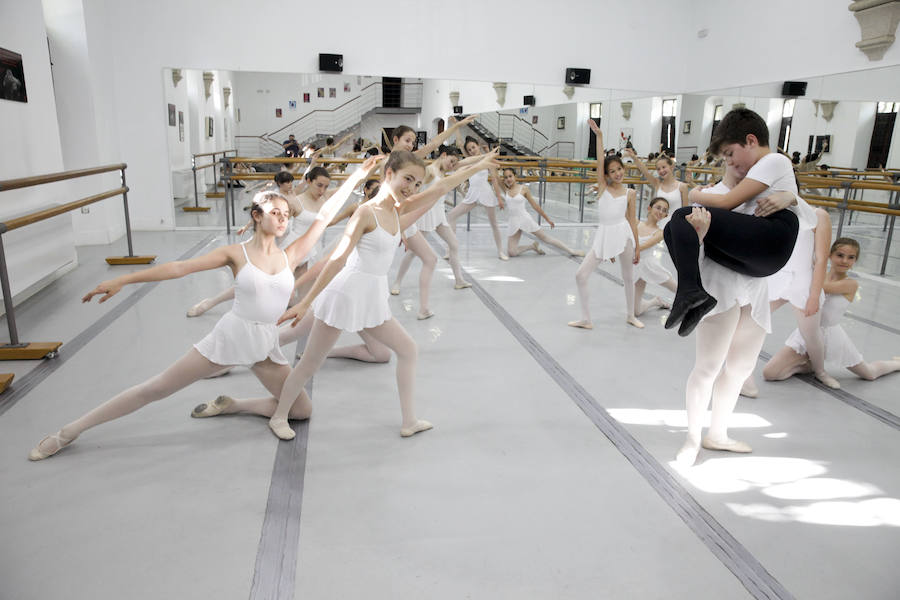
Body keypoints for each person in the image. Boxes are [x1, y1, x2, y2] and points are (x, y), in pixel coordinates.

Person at [27, 162, 378, 461]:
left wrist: (356, 176)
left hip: (265, 342)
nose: (283, 220)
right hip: (233, 336)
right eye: (275, 213)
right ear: (257, 216)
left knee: (301, 410)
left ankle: (234, 404)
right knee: (156, 388)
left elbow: (327, 214)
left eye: (286, 215)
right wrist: (126, 279)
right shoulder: (236, 253)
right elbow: (180, 269)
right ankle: (70, 430)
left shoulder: (291, 255)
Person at [260, 149, 500, 441]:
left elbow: (442, 186)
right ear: (389, 174)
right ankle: (279, 415)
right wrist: (306, 301)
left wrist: (480, 164)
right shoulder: (366, 212)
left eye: (416, 183)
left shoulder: (398, 209)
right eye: (407, 179)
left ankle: (409, 420)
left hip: (371, 296)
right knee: (311, 362)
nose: (411, 187)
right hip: (346, 294)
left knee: (408, 350)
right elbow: (337, 259)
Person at [672, 163, 803, 466]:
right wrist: (700, 236)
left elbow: (801, 221)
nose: (743, 167)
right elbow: (684, 250)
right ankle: (692, 438)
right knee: (707, 368)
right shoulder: (709, 196)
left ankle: (717, 433)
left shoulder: (767, 196)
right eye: (732, 158)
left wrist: (791, 198)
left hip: (755, 291)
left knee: (741, 368)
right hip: (720, 290)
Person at [664, 108, 799, 337]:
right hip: (761, 255)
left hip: (773, 237)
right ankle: (696, 293)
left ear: (751, 140)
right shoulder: (758, 171)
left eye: (730, 154)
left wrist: (696, 194)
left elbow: (726, 202)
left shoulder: (773, 160)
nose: (729, 161)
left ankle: (690, 291)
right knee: (671, 229)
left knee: (681, 216)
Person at [763, 238, 900, 383]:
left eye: (851, 257)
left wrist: (808, 268)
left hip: (832, 336)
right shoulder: (816, 276)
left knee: (869, 373)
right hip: (807, 333)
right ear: (830, 255)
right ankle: (806, 365)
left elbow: (818, 287)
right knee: (770, 373)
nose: (845, 261)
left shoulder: (850, 284)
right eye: (840, 255)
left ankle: (897, 364)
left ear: (855, 261)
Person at [568, 120, 642, 330]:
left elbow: (632, 221)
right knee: (580, 274)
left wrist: (637, 246)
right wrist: (599, 136)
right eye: (612, 171)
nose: (617, 173)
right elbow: (600, 160)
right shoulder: (602, 188)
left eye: (619, 168)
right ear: (607, 175)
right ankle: (586, 319)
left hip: (624, 234)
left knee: (629, 277)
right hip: (605, 235)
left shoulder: (630, 193)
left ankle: (630, 314)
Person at [390, 146, 478, 308]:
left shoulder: (445, 169)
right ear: (443, 155)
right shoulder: (429, 171)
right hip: (424, 215)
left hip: (439, 214)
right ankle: (397, 282)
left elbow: (468, 161)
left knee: (454, 244)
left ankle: (458, 280)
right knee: (412, 252)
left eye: (454, 163)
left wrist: (485, 158)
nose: (453, 165)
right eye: (451, 161)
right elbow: (415, 192)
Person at [446, 136, 509, 260]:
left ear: (478, 146)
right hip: (472, 194)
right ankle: (450, 250)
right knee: (451, 216)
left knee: (494, 224)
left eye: (473, 147)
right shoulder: (470, 160)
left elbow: (495, 180)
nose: (472, 151)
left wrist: (499, 199)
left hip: (485, 193)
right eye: (469, 150)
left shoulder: (487, 159)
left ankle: (501, 251)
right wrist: (456, 127)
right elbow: (459, 143)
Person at [499, 168, 584, 257]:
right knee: (511, 252)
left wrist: (547, 219)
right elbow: (494, 175)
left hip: (524, 219)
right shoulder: (506, 190)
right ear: (503, 180)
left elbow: (535, 206)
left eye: (510, 176)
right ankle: (532, 246)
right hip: (513, 221)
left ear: (515, 176)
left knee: (545, 238)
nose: (508, 179)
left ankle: (571, 251)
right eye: (506, 177)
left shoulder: (523, 189)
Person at [633, 197, 676, 316]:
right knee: (636, 312)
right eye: (658, 208)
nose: (660, 212)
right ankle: (655, 301)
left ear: (666, 215)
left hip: (650, 266)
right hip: (637, 267)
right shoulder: (636, 223)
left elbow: (642, 246)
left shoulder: (660, 232)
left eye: (664, 210)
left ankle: (697, 306)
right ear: (649, 208)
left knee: (677, 288)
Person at [627, 148, 689, 223]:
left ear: (671, 167)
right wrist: (634, 157)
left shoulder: (682, 186)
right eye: (658, 169)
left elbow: (685, 212)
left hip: (675, 225)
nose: (661, 171)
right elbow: (645, 171)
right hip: (659, 225)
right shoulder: (657, 184)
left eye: (664, 167)